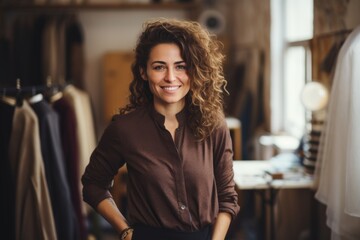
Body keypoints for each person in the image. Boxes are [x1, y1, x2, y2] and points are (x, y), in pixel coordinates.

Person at [81, 18, 240, 240]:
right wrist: (125, 231)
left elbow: (227, 197)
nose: (170, 77)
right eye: (159, 67)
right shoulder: (124, 129)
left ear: (193, 71)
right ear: (144, 72)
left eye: (181, 66)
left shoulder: (214, 124)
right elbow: (93, 185)